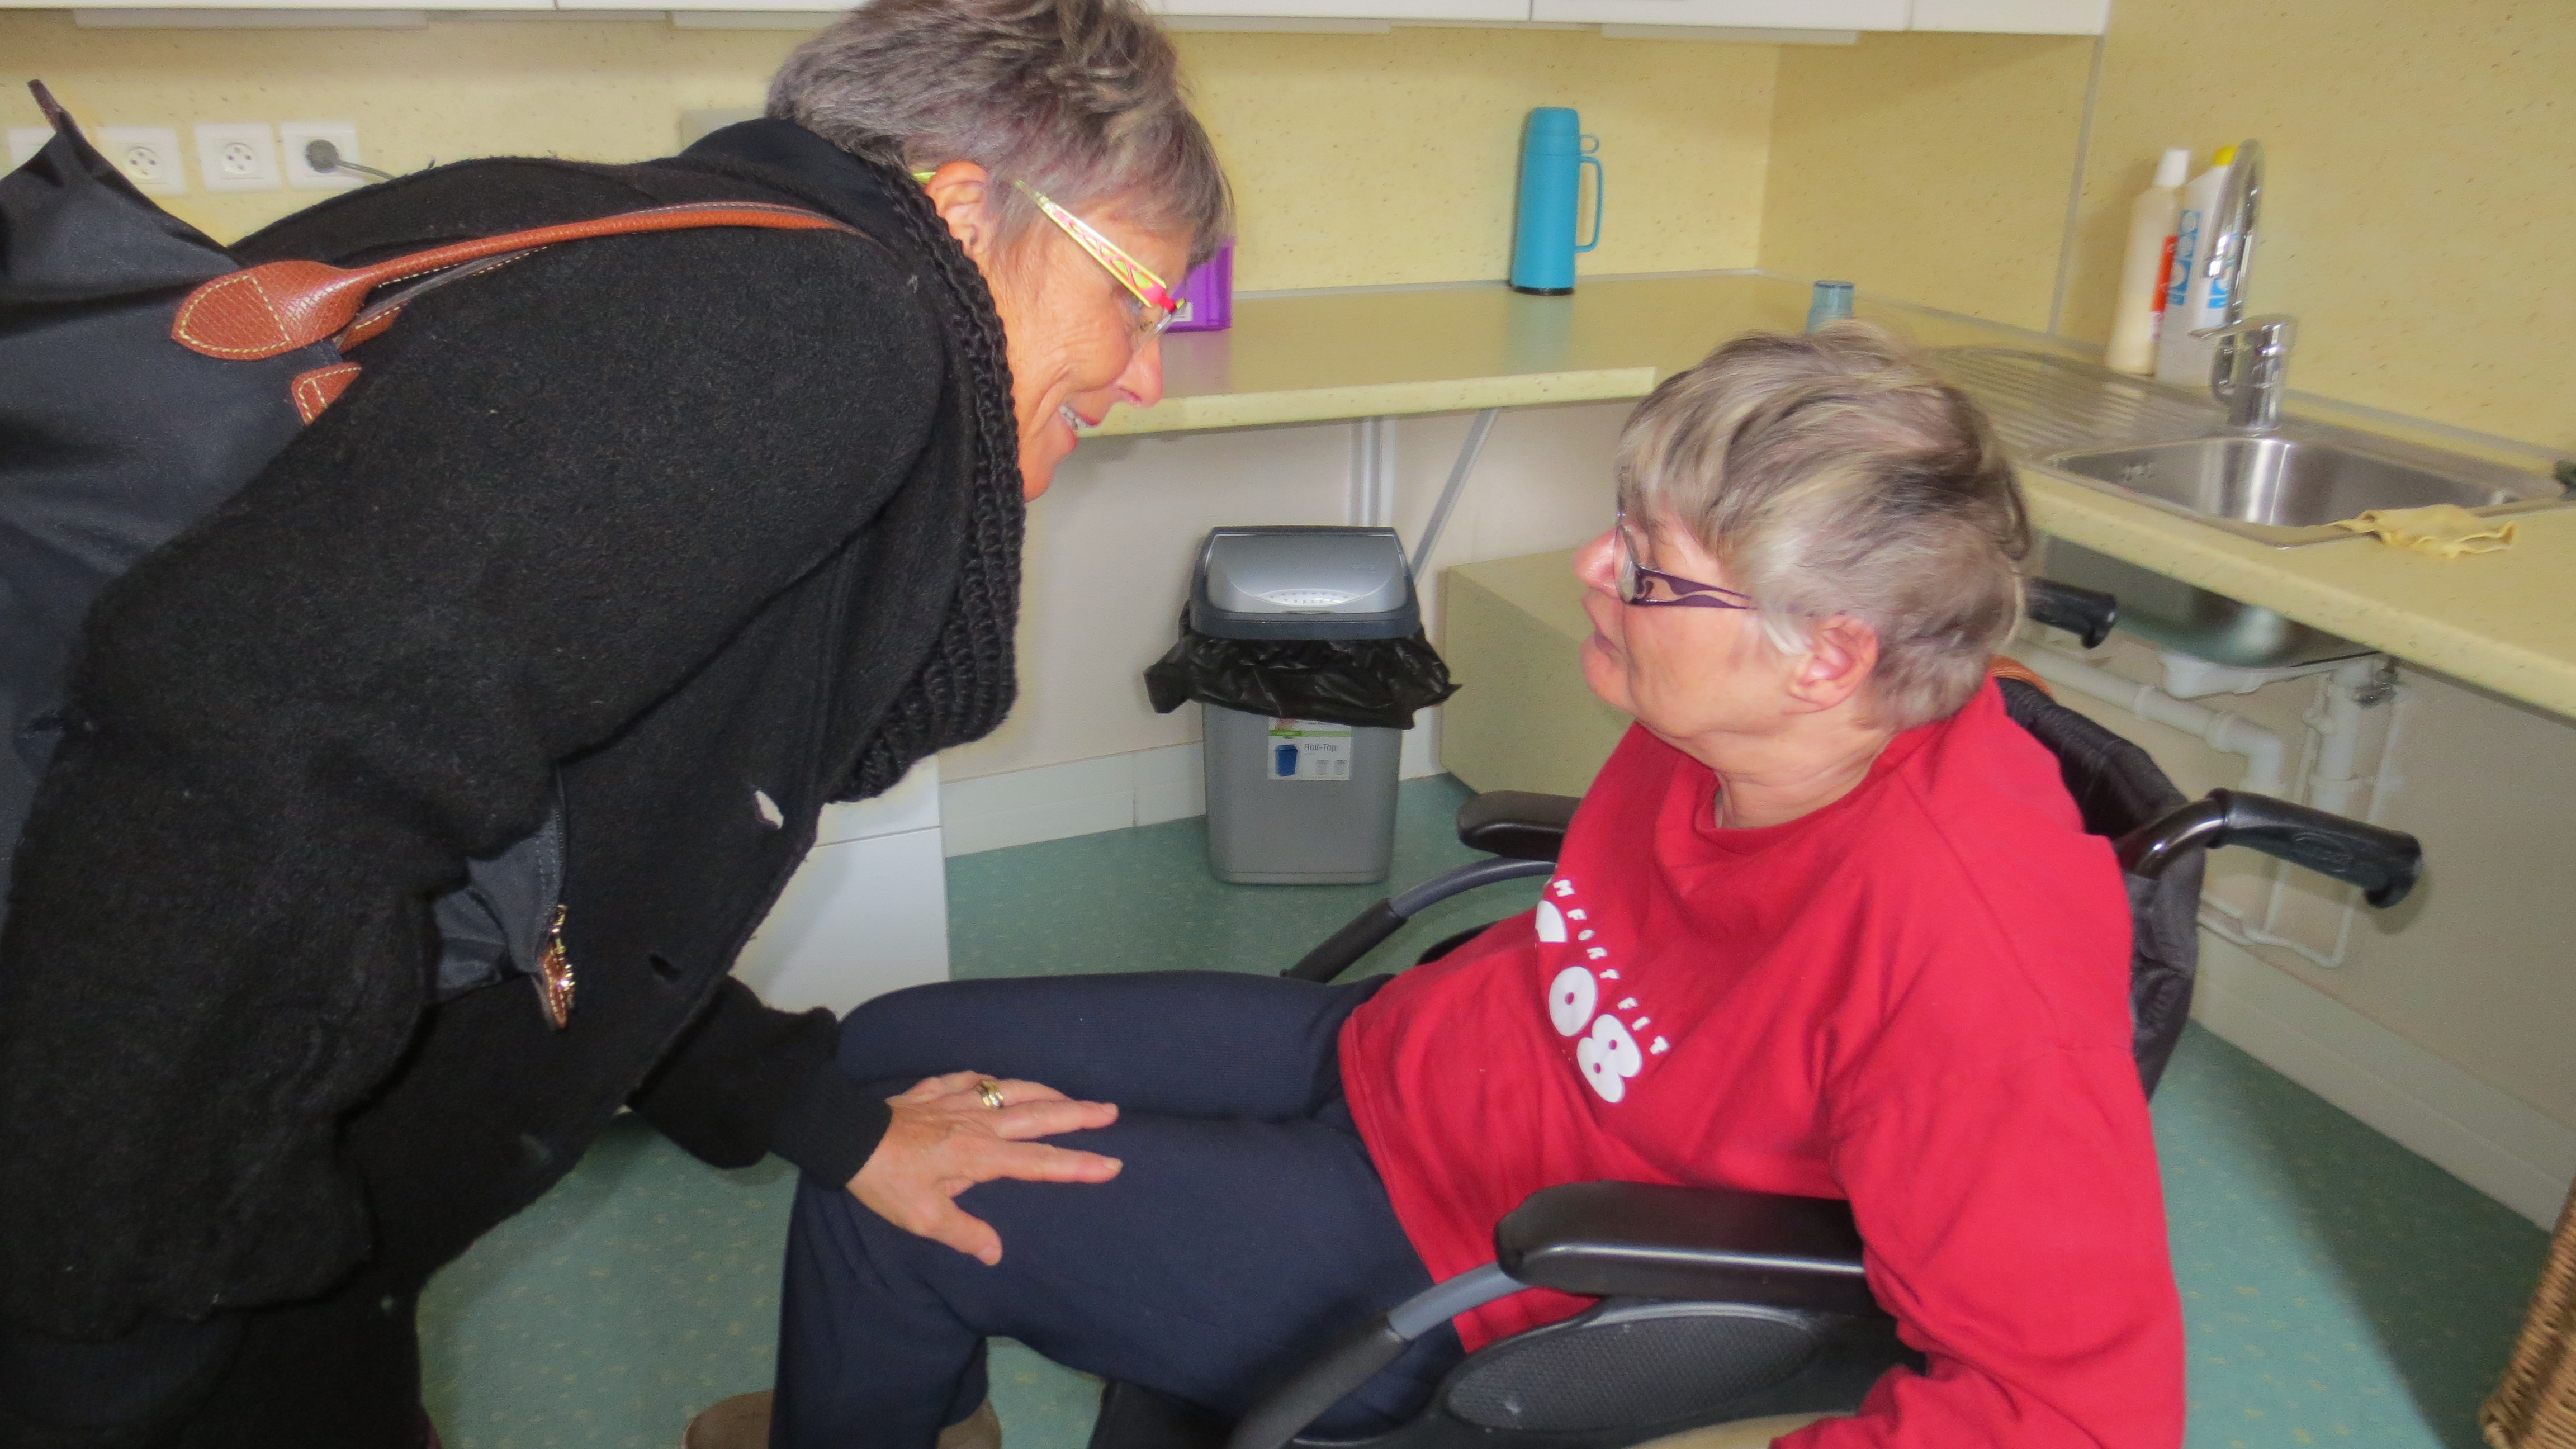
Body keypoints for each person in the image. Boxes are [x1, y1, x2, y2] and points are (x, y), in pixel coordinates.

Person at [0, 1, 1227, 1443]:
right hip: (136, 1192)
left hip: (201, 1146)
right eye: (1134, 300)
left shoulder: (707, 256)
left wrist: (831, 1121)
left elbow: (603, 866)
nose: (1147, 372)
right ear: (965, 208)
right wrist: (105, 1301)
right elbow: (253, 734)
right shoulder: (822, 334)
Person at [724, 326, 2188, 1449]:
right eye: (1623, 519)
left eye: (1652, 570)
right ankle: (913, 1400)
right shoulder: (1769, 720)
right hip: (1392, 1053)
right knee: (886, 1056)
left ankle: (892, 1353)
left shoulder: (1969, 962)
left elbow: (2074, 1412)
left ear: (1828, 655)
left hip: (1447, 1244)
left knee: (889, 1202)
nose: (1591, 566)